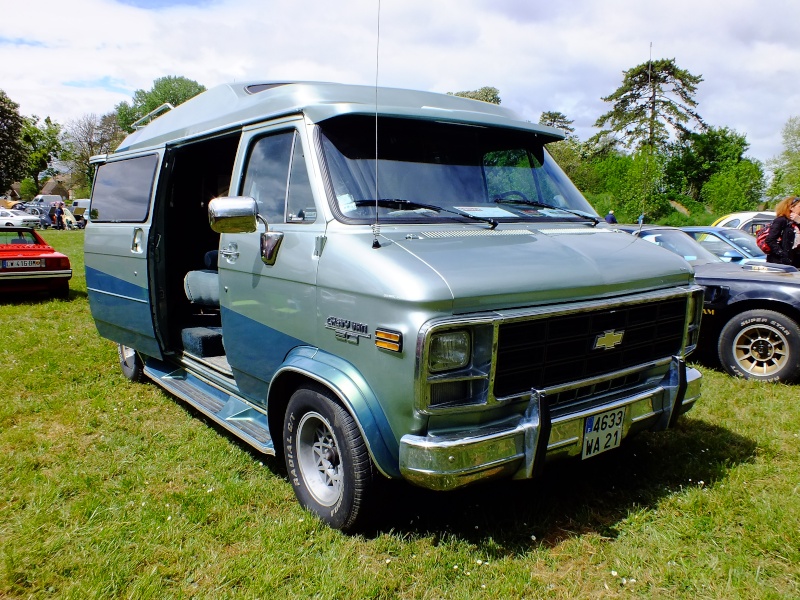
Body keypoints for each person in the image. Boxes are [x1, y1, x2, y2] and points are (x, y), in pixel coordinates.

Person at [765, 196, 800, 266]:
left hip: (795, 262)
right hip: (780, 263)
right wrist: (782, 254)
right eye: (799, 207)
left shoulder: (797, 222)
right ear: (791, 207)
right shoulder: (781, 220)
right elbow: (770, 240)